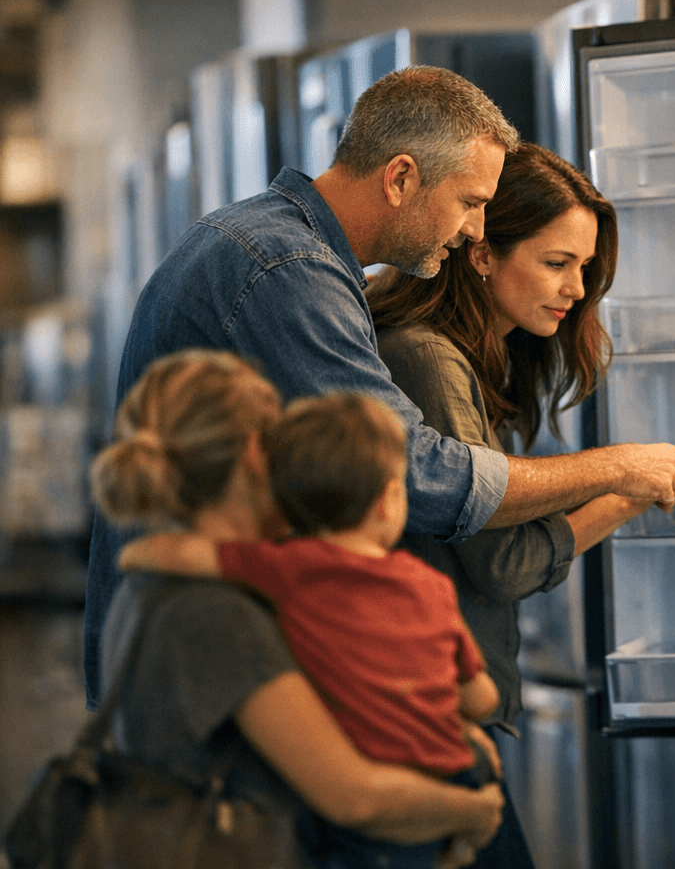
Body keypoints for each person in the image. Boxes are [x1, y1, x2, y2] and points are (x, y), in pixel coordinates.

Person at [83, 65, 675, 709]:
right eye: (471, 202)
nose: (476, 228)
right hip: (203, 670)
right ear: (401, 179)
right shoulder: (291, 271)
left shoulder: (268, 242)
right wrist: (617, 470)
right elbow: (416, 475)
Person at [90, 350, 504, 868]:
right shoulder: (216, 612)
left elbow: (327, 712)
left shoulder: (166, 579)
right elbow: (354, 794)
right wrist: (472, 809)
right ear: (255, 457)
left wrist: (447, 729)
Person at [364, 143, 647, 869]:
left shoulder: (474, 359)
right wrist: (622, 491)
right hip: (421, 718)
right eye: (556, 263)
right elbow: (501, 562)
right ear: (482, 254)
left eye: (583, 268)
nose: (577, 289)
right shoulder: (427, 358)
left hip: (438, 713)